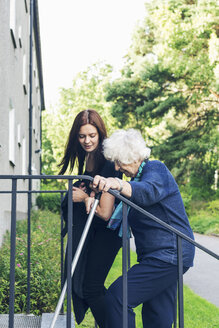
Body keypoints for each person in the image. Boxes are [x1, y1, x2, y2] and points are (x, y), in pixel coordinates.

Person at [91, 128, 195, 328]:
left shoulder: (155, 169)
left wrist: (117, 183)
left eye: (119, 161)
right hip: (161, 255)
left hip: (170, 253)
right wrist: (93, 197)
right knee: (158, 315)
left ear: (132, 156)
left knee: (117, 297)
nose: (117, 167)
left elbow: (148, 192)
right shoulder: (136, 179)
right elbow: (115, 211)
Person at [58, 109, 122, 327]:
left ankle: (118, 321)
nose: (87, 141)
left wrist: (84, 196)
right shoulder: (88, 159)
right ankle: (119, 317)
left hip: (109, 232)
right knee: (87, 284)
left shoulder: (109, 162)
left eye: (92, 135)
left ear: (100, 134)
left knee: (91, 288)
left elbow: (105, 212)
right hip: (95, 231)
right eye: (82, 136)